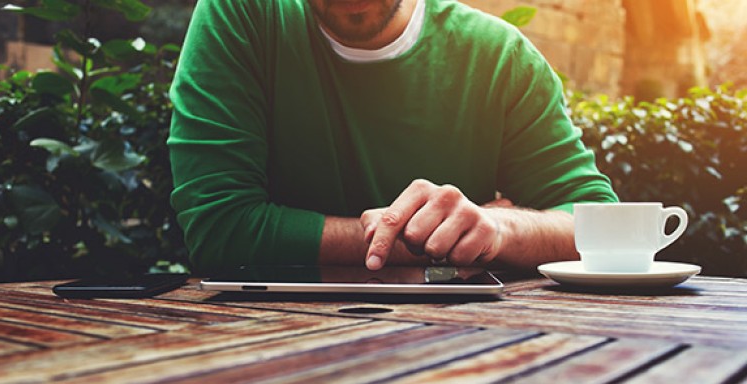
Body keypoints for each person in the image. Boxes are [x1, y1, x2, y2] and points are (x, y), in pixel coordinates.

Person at [167, 0, 619, 275]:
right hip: (260, 341)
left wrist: (499, 229)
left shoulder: (500, 57)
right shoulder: (242, 15)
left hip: (464, 346)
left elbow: (605, 227)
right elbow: (219, 232)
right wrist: (431, 246)